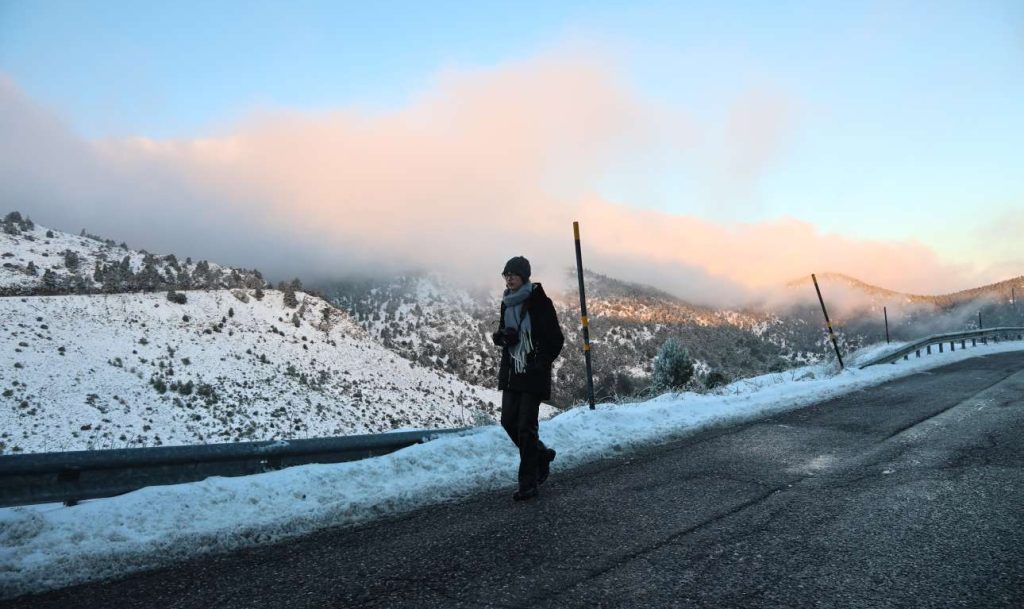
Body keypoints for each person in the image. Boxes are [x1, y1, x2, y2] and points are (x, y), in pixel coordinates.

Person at [491, 256, 564, 501]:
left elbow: (555, 339)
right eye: (506, 274)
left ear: (524, 276)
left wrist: (540, 362)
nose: (509, 278)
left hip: (532, 372)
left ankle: (528, 483)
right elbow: (506, 332)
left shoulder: (540, 302)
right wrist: (502, 337)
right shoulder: (507, 302)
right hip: (513, 370)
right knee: (508, 422)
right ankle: (541, 455)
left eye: (513, 274)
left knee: (525, 427)